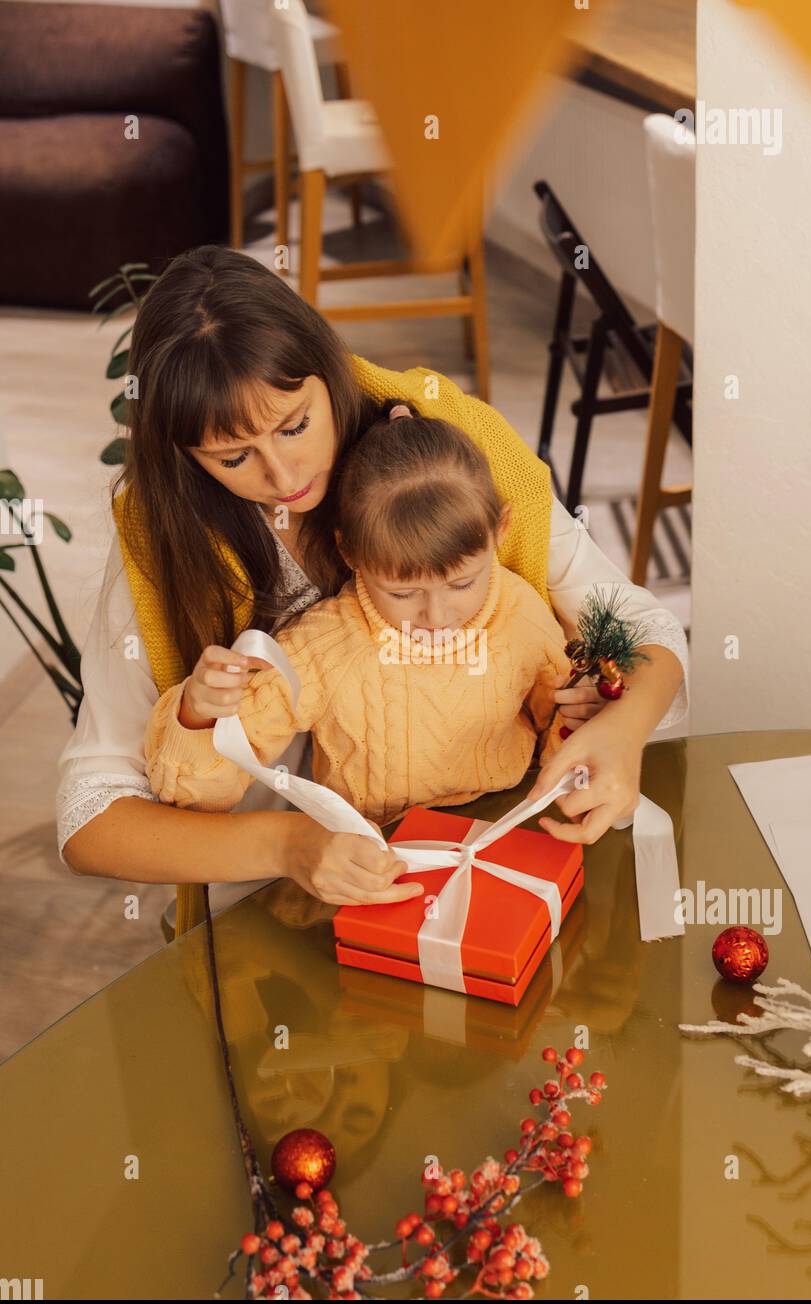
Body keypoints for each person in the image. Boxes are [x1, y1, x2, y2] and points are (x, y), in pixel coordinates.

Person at [57, 245, 688, 925]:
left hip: (500, 841)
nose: (283, 473)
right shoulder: (165, 536)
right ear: (184, 458)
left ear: (328, 374)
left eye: (296, 424)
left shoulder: (449, 452)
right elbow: (90, 817)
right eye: (234, 457)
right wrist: (288, 845)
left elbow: (641, 627)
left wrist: (623, 727)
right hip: (280, 902)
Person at [144, 404, 573, 835]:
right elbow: (199, 796)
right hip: (377, 854)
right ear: (349, 553)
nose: (437, 616)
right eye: (403, 593)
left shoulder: (521, 615)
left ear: (499, 531)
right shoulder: (319, 648)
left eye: (462, 584)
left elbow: (561, 735)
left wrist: (566, 721)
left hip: (513, 824)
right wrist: (197, 716)